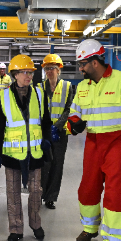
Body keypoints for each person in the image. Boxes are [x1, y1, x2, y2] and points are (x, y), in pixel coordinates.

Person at [68, 40, 121, 241]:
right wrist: (74, 125)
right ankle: (90, 229)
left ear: (94, 62)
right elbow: (74, 113)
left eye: (83, 64)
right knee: (88, 188)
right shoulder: (83, 87)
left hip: (117, 143)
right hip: (92, 143)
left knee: (115, 194)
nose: (80, 68)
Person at [0, 54, 52, 241]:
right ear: (15, 75)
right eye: (24, 72)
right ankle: (16, 229)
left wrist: (47, 140)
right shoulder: (3, 97)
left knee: (36, 191)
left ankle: (36, 225)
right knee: (13, 193)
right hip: (12, 154)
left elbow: (46, 121)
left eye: (31, 72)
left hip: (34, 152)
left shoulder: (40, 94)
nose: (28, 76)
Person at [38, 54, 73, 210]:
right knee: (43, 164)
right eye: (47, 68)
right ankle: (39, 194)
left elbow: (69, 109)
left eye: (52, 68)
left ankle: (51, 197)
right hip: (43, 132)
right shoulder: (39, 87)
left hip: (59, 133)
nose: (49, 71)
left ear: (59, 70)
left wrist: (57, 126)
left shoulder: (67, 86)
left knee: (57, 165)